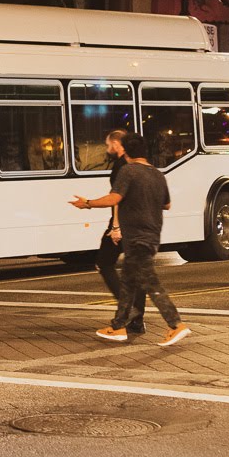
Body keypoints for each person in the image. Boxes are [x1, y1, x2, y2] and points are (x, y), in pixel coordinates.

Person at [69, 132, 191, 347]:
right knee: (127, 283)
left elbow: (114, 198)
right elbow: (166, 204)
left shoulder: (128, 171)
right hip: (152, 235)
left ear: (126, 152)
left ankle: (175, 325)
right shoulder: (157, 174)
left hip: (136, 237)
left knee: (151, 283)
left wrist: (87, 202)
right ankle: (118, 327)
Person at [94, 129, 145, 334]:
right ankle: (137, 320)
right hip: (141, 223)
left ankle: (129, 309)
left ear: (117, 144)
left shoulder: (121, 166)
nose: (108, 149)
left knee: (104, 263)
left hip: (123, 222)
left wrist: (116, 227)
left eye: (109, 145)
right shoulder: (140, 163)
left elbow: (117, 198)